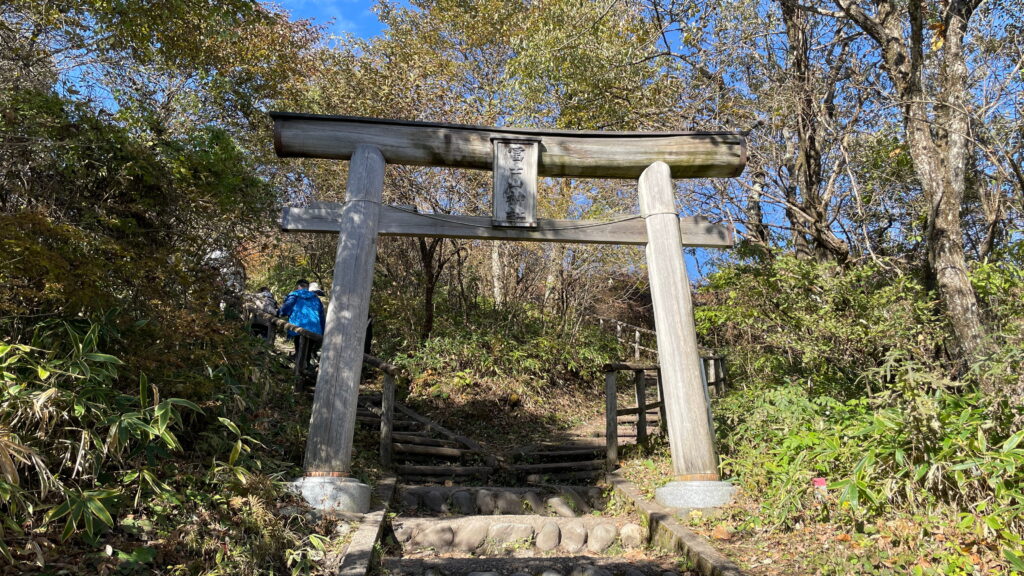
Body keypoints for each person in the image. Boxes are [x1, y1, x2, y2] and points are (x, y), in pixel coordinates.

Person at [278, 279, 326, 362]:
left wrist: (279, 313)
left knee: (299, 347)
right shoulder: (316, 299)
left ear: (298, 286)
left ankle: (299, 368)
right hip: (315, 328)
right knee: (308, 349)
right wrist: (323, 330)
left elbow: (286, 308)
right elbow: (321, 315)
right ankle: (305, 366)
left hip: (298, 325)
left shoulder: (294, 295)